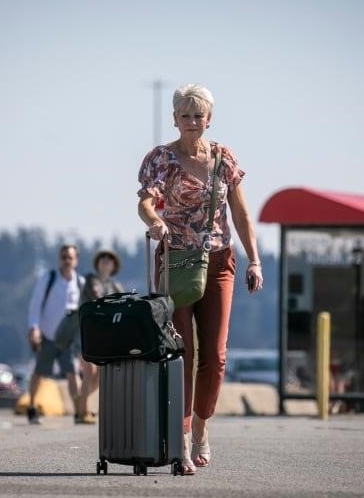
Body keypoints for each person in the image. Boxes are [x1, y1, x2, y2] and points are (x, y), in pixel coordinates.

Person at [136, 83, 263, 475]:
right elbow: (145, 201)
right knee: (182, 353)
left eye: (198, 115)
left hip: (221, 260)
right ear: (175, 119)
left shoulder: (224, 159)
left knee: (216, 355)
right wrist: (155, 220)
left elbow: (240, 215)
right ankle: (183, 438)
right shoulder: (161, 159)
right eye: (185, 115)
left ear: (209, 120)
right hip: (176, 259)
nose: (192, 122)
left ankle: (203, 426)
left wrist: (254, 260)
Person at [26, 244, 90, 424]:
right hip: (47, 334)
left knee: (72, 373)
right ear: (59, 259)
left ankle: (78, 411)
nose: (66, 261)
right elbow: (36, 303)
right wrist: (34, 327)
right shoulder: (49, 278)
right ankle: (32, 407)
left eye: (70, 257)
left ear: (75, 260)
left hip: (67, 339)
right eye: (63, 257)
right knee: (39, 372)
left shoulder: (80, 283)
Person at [75, 249, 125, 423]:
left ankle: (80, 402)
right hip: (87, 333)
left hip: (105, 336)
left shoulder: (116, 286)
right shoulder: (91, 280)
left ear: (114, 265)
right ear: (97, 263)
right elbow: (98, 298)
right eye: (103, 258)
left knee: (100, 374)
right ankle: (82, 413)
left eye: (109, 259)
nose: (105, 261)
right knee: (89, 371)